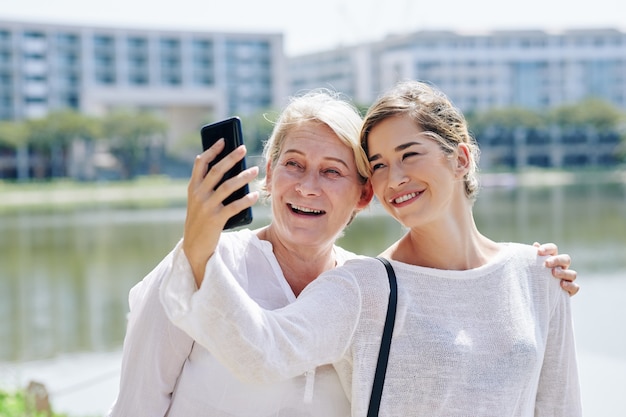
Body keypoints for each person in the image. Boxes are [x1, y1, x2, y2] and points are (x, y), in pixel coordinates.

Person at [160, 81, 582, 416]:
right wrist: (200, 243)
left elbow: (560, 407)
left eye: (409, 154)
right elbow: (262, 352)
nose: (394, 178)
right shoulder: (364, 287)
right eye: (378, 164)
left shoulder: (537, 272)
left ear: (461, 159)